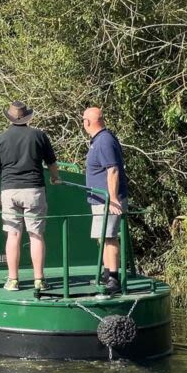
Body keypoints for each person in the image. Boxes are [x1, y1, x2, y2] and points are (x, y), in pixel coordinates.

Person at [0, 101, 61, 291]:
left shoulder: (0, 139)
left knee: (13, 235)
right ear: (28, 117)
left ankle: (13, 280)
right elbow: (52, 163)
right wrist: (55, 178)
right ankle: (39, 280)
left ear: (9, 117)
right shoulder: (39, 136)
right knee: (36, 234)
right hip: (34, 190)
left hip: (9, 191)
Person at [82, 107, 129, 294]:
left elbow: (113, 170)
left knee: (109, 237)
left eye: (83, 119)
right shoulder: (99, 140)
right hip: (99, 200)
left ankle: (114, 278)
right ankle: (107, 272)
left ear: (88, 122)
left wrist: (114, 199)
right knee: (103, 238)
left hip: (107, 200)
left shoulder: (104, 141)